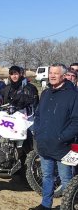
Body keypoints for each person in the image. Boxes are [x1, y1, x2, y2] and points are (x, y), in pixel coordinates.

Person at [30, 64, 78, 210]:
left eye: (56, 73)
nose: (52, 75)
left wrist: (62, 138)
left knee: (66, 179)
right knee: (47, 176)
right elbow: (38, 115)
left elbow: (76, 121)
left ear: (63, 76)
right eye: (51, 72)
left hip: (63, 146)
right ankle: (46, 204)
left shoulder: (73, 95)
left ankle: (68, 205)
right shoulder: (45, 93)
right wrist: (37, 131)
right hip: (44, 143)